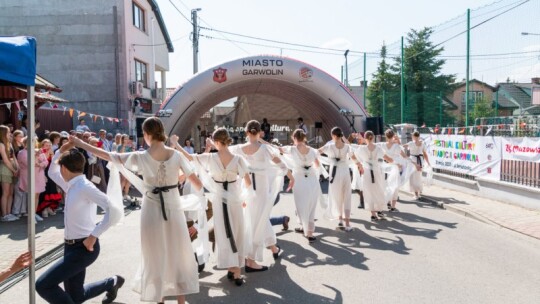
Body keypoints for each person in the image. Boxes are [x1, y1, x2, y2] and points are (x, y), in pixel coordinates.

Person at [72, 117, 202, 304]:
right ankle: (181, 301)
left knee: (154, 253)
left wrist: (81, 143)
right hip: (174, 209)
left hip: (151, 210)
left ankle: (160, 299)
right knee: (177, 251)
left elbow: (108, 156)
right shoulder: (177, 155)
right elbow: (197, 183)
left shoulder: (141, 156)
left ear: (147, 134)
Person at [35, 142, 124, 304]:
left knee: (43, 285)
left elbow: (115, 210)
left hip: (84, 247)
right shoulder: (70, 183)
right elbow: (52, 171)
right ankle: (112, 282)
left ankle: (112, 282)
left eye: (61, 167)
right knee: (76, 296)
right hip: (70, 246)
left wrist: (94, 235)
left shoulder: (84, 186)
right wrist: (60, 151)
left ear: (65, 169)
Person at [174, 128, 252, 286]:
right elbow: (248, 183)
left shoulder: (210, 158)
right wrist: (243, 197)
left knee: (223, 232)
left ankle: (232, 267)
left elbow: (189, 157)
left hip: (218, 199)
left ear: (216, 142)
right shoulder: (238, 159)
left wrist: (176, 144)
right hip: (235, 199)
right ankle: (235, 271)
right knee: (236, 231)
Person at [230, 120, 294, 272]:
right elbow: (282, 164)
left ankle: (273, 249)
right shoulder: (265, 149)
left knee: (255, 220)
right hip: (261, 191)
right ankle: (251, 261)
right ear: (260, 133)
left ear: (246, 132)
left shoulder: (238, 149)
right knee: (259, 221)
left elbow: (222, 151)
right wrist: (291, 177)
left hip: (246, 188)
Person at [280, 129, 321, 243]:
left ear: (294, 138)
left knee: (301, 204)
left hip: (298, 179)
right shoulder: (312, 150)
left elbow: (276, 149)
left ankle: (306, 230)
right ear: (304, 138)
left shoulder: (291, 149)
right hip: (312, 179)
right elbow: (317, 165)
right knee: (311, 205)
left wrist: (261, 141)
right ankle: (308, 231)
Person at [352, 131, 393, 221]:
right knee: (379, 190)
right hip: (377, 171)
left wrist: (359, 164)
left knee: (369, 192)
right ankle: (380, 210)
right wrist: (394, 162)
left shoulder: (362, 149)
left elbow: (353, 156)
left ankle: (373, 214)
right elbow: (388, 158)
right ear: (373, 137)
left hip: (366, 172)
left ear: (365, 138)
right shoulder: (378, 148)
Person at [318, 127, 353, 231]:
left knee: (337, 196)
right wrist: (359, 165)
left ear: (333, 135)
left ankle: (340, 219)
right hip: (345, 171)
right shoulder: (347, 146)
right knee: (346, 196)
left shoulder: (329, 146)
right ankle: (347, 223)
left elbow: (317, 152)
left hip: (335, 173)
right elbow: (354, 157)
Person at [380, 129, 411, 212]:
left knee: (386, 185)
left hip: (385, 167)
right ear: (393, 136)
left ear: (385, 136)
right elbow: (404, 155)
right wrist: (411, 162)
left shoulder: (382, 145)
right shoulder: (396, 146)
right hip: (395, 167)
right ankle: (393, 206)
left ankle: (387, 202)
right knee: (395, 186)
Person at [0, 125, 19, 222]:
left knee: (11, 193)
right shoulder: (1, 144)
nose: (10, 134)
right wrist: (13, 170)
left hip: (13, 168)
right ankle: (4, 215)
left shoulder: (9, 143)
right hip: (6, 169)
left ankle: (9, 212)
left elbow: (14, 157)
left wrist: (17, 168)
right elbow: (6, 160)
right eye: (8, 132)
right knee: (5, 192)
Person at [406, 131, 431, 199]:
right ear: (419, 136)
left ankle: (416, 194)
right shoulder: (422, 144)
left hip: (412, 160)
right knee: (418, 176)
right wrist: (428, 162)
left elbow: (402, 146)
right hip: (420, 161)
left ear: (413, 136)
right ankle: (419, 191)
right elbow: (425, 154)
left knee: (413, 177)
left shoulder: (410, 143)